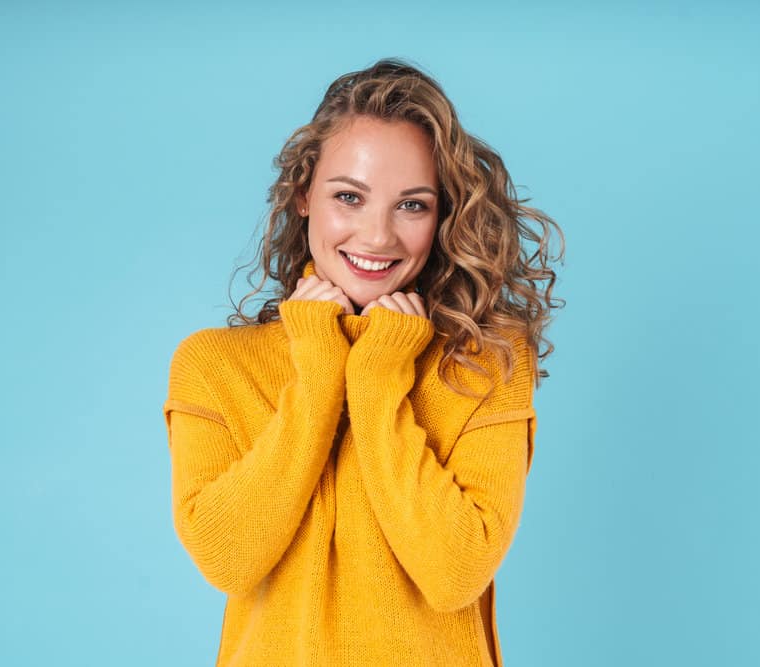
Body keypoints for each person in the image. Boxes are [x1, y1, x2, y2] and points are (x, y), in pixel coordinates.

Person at [162, 57, 564, 666]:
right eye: (349, 197)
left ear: (444, 215)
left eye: (412, 205)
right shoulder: (215, 366)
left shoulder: (487, 363)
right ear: (302, 196)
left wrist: (377, 382)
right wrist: (322, 372)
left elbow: (455, 573)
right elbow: (228, 557)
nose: (377, 237)